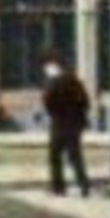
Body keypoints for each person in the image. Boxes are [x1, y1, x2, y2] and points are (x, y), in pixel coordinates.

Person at [41, 54, 92, 197]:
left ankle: (58, 187)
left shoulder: (52, 83)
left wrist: (54, 114)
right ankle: (83, 185)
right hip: (75, 124)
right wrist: (79, 115)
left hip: (59, 123)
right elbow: (86, 102)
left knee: (54, 156)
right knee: (75, 156)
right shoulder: (74, 81)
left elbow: (47, 102)